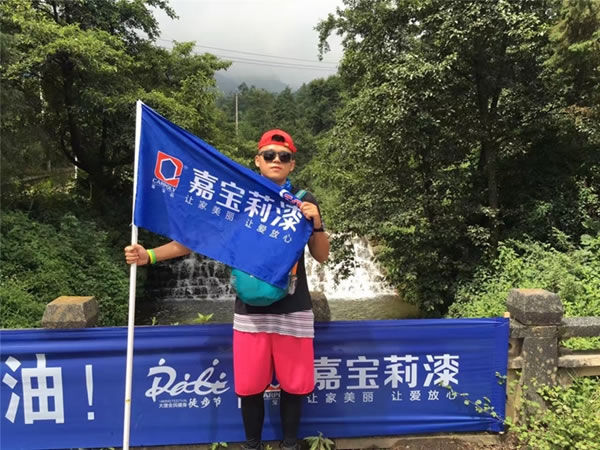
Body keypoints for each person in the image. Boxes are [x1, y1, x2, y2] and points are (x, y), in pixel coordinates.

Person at [124, 129, 330, 450]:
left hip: (293, 308)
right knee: (250, 386)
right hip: (249, 313)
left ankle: (290, 444)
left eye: (284, 156)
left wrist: (316, 223)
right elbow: (195, 239)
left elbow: (321, 255)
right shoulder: (239, 200)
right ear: (257, 160)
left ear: (292, 164)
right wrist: (148, 255)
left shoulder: (304, 201)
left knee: (294, 384)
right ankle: (252, 445)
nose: (276, 160)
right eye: (269, 155)